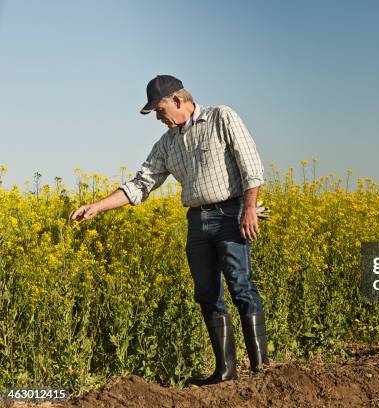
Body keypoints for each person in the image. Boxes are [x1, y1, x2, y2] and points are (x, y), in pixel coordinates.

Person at [69, 74, 270, 385]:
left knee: (240, 285)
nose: (159, 118)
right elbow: (140, 184)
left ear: (177, 100)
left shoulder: (221, 117)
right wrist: (97, 206)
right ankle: (225, 372)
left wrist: (248, 209)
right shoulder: (167, 143)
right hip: (197, 222)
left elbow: (250, 165)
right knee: (207, 294)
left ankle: (262, 371)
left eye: (159, 110)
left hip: (231, 213)